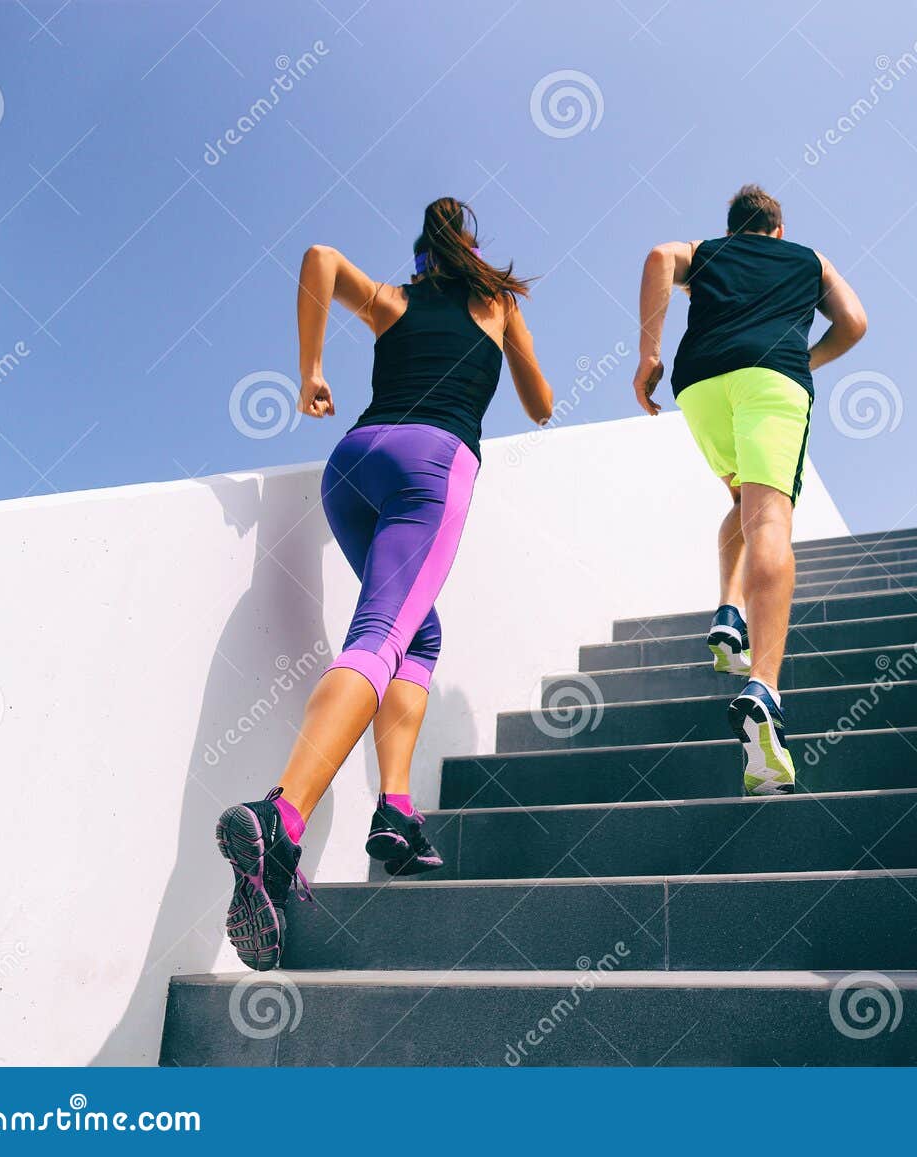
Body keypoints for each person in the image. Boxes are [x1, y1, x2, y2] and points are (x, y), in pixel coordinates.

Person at [216, 197, 553, 970]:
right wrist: (514, 347)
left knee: (417, 631)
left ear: (420, 260)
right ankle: (280, 818)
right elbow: (540, 403)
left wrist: (311, 372)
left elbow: (321, 259)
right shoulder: (495, 302)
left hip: (354, 460)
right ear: (470, 256)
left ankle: (396, 811)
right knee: (383, 635)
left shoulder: (394, 302)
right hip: (432, 462)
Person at [632, 184, 867, 795]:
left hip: (701, 382)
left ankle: (729, 612)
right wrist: (801, 359)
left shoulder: (708, 251)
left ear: (733, 228)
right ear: (779, 230)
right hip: (772, 378)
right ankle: (764, 685)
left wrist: (647, 355)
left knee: (741, 499)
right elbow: (856, 323)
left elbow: (660, 256)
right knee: (768, 519)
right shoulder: (808, 259)